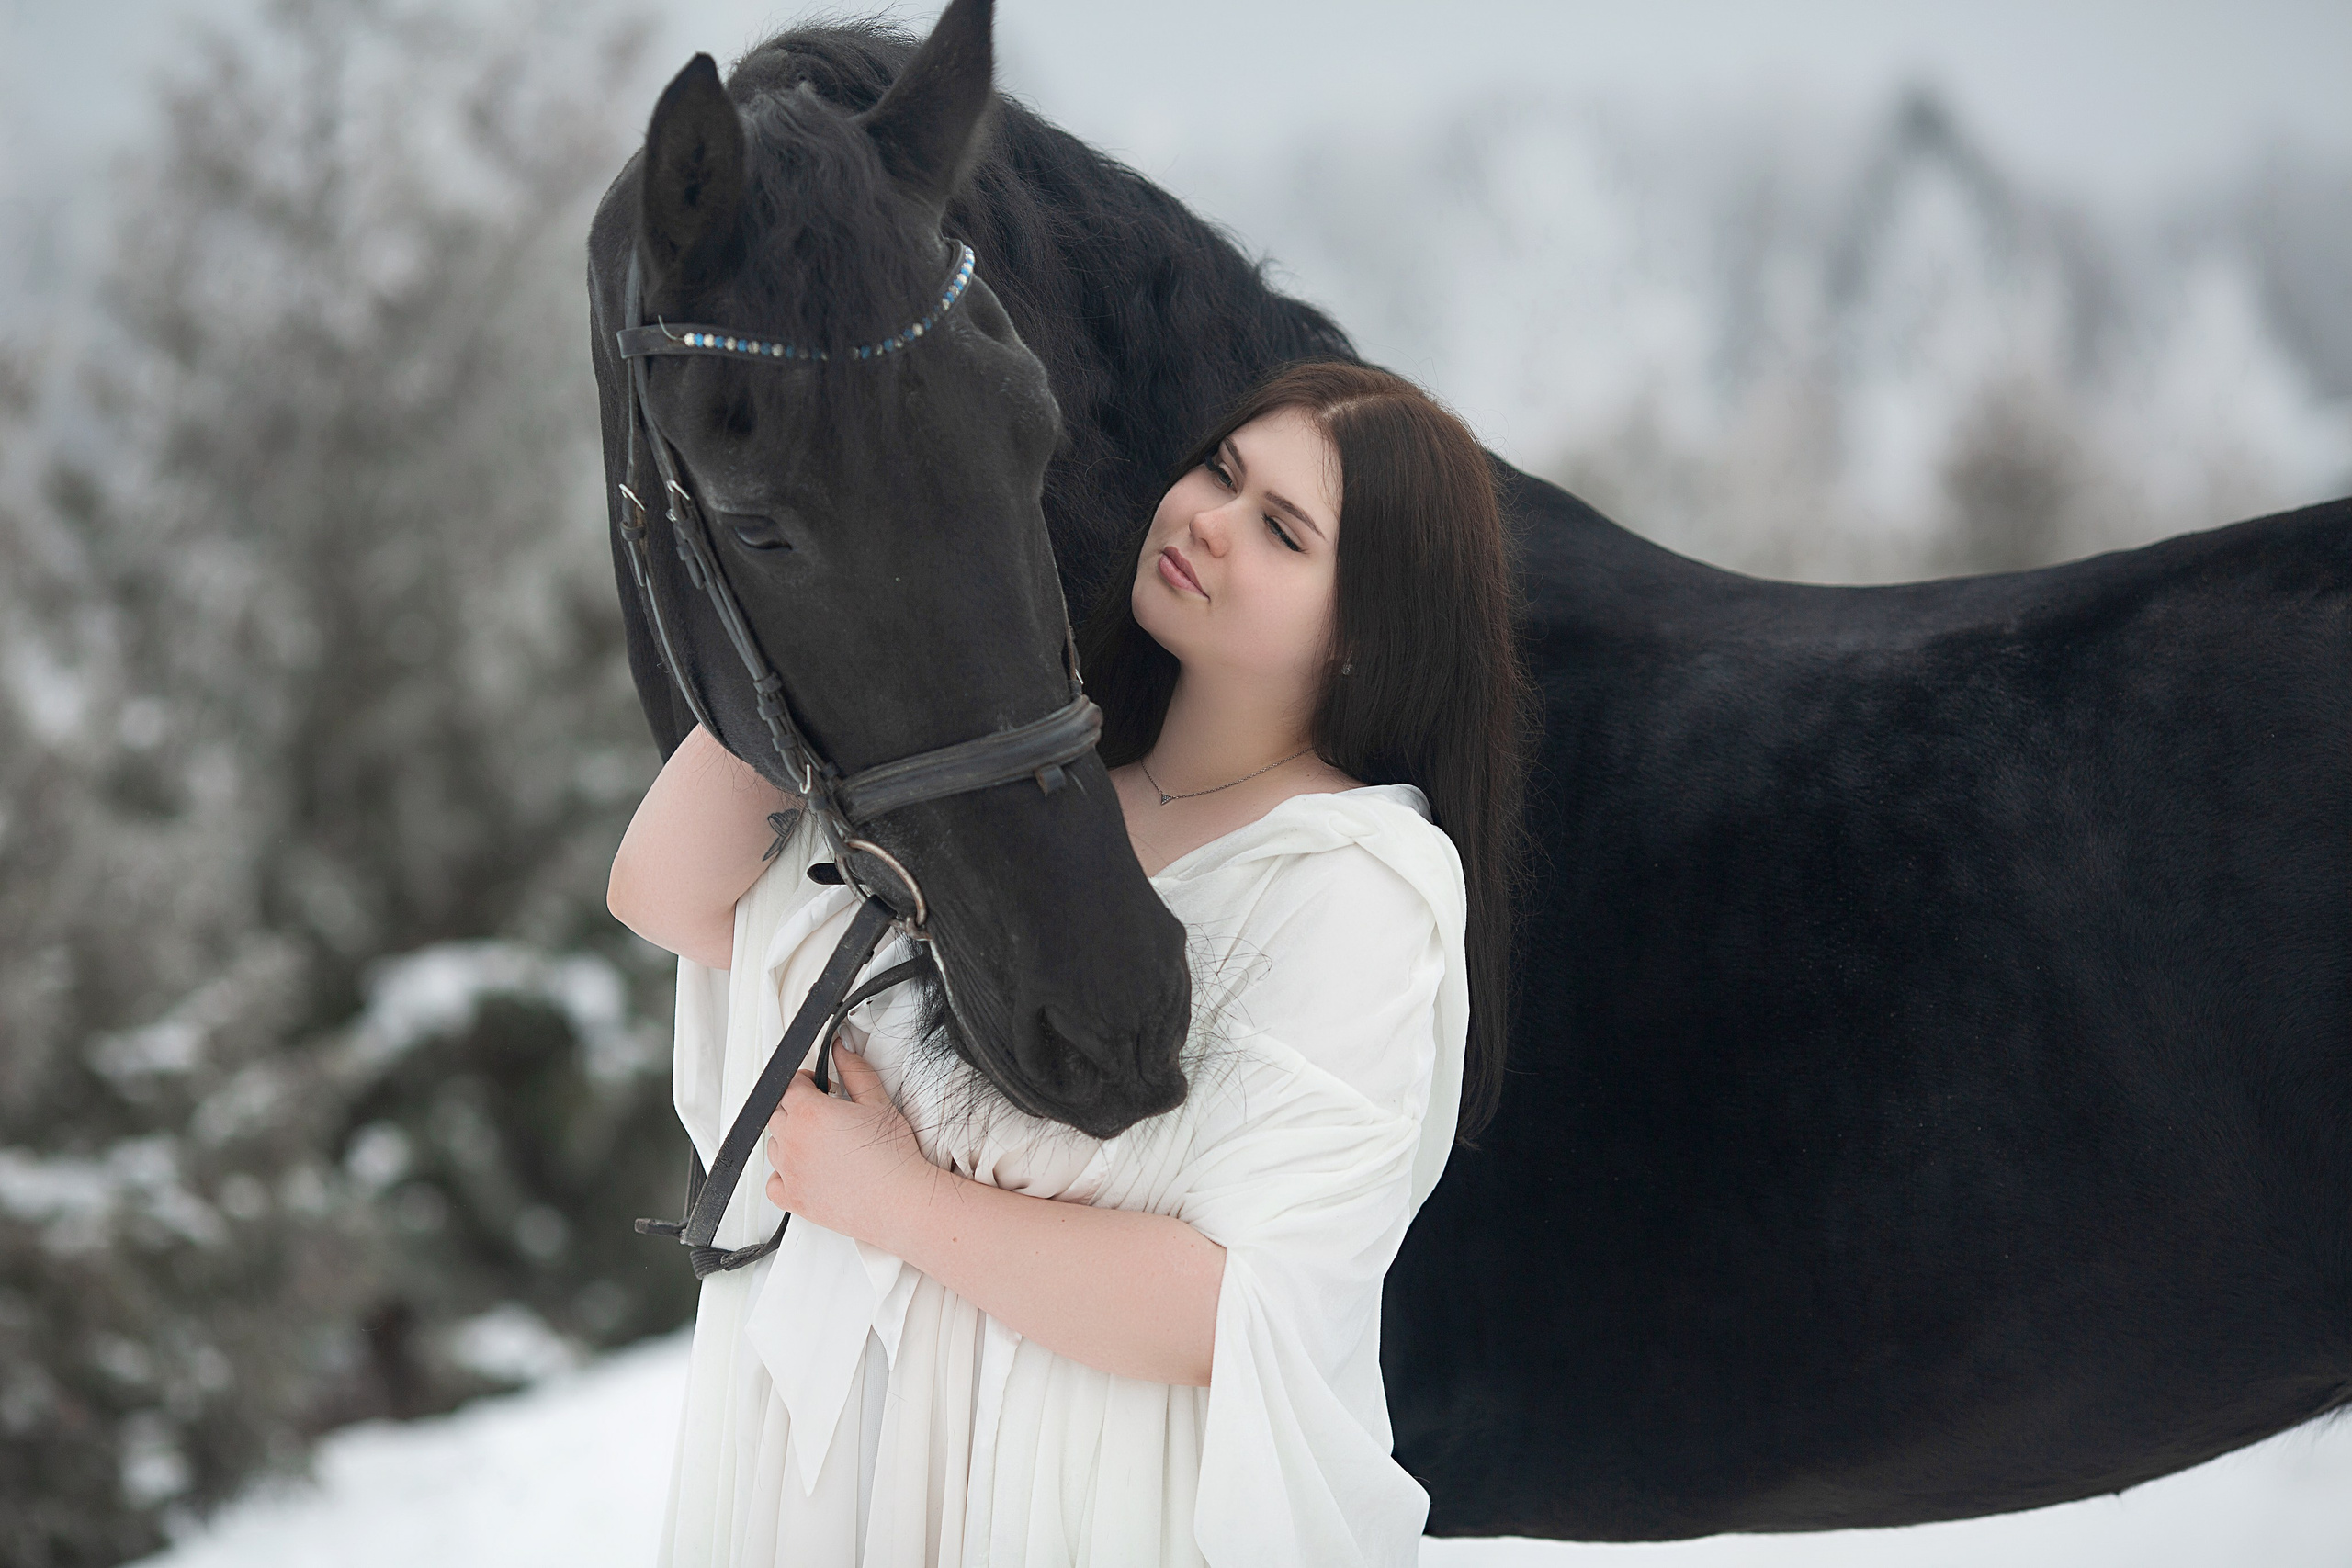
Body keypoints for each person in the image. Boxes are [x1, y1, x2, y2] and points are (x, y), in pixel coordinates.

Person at [606, 360, 1527, 1566]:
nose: (1209, 518)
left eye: (1282, 531)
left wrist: (894, 1199)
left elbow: (1233, 1311)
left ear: (1364, 631)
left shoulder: (1352, 882)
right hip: (848, 1477)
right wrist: (845, 622)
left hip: (1082, 1507)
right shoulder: (1015, 801)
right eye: (1221, 470)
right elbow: (672, 895)